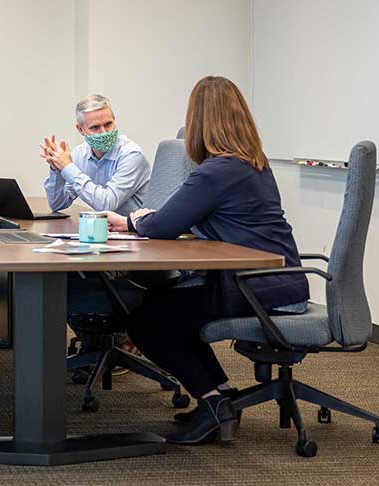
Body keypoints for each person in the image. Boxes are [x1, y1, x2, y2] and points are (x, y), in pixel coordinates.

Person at [108, 76, 309, 445]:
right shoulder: (253, 164)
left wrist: (135, 220)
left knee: (148, 323)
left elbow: (164, 225)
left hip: (256, 287)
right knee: (166, 307)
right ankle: (222, 397)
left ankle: (215, 404)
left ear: (199, 123)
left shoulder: (216, 171)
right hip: (279, 280)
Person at [40, 94, 152, 216]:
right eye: (95, 127)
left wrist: (68, 168)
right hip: (104, 229)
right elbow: (57, 205)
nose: (104, 132)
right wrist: (57, 169)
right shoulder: (79, 154)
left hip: (137, 231)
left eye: (108, 124)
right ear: (80, 129)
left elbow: (107, 204)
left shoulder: (132, 154)